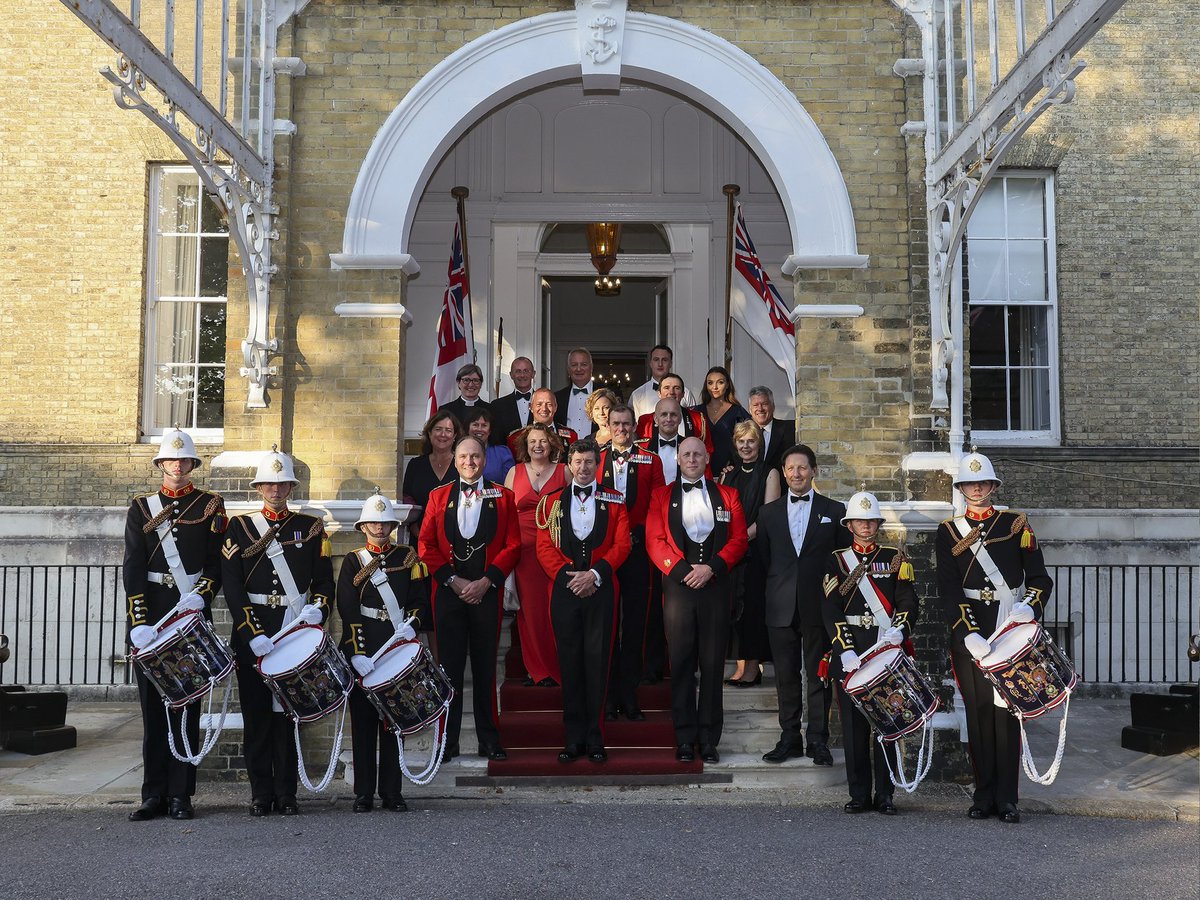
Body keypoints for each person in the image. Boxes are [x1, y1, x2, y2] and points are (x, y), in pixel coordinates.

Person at [936, 451, 1052, 824]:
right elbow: (949, 588)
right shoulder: (949, 531)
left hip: (1009, 628)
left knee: (1008, 714)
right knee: (979, 712)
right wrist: (968, 632)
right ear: (961, 488)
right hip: (971, 632)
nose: (977, 489)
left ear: (993, 486)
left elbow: (1039, 579)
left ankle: (1008, 798)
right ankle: (983, 794)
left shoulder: (1016, 524)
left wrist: (1030, 608)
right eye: (970, 483)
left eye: (983, 483)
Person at [221, 446, 335, 817]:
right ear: (259, 488)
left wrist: (317, 609)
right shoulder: (239, 527)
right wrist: (250, 630)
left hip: (292, 631)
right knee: (256, 717)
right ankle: (260, 794)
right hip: (253, 633)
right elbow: (233, 585)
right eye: (269, 483)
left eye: (282, 483)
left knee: (288, 715)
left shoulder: (309, 527)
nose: (275, 490)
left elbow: (323, 581)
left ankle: (288, 793)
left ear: (290, 487)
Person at [123, 429, 226, 822]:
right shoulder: (142, 507)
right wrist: (138, 621)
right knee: (152, 712)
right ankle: (153, 795)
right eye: (172, 461)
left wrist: (203, 593)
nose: (178, 467)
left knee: (187, 706)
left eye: (185, 461)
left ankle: (182, 794)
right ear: (161, 465)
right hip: (151, 618)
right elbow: (133, 566)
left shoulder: (211, 505)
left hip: (189, 617)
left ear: (193, 465)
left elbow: (217, 563)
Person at [418, 435, 522, 761]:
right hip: (448, 595)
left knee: (485, 669)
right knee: (448, 669)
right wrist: (452, 580)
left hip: (486, 594)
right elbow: (426, 546)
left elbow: (513, 545)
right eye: (463, 456)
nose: (469, 462)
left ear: (484, 459)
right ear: (455, 459)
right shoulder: (437, 497)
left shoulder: (503, 496)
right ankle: (447, 742)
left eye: (475, 456)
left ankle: (488, 739)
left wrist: (487, 581)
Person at [646, 437, 748, 763]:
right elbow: (654, 540)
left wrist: (712, 568)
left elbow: (739, 539)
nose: (691, 458)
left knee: (714, 664)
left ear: (707, 458)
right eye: (686, 454)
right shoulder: (661, 496)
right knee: (681, 665)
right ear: (677, 458)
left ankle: (709, 739)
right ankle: (685, 738)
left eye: (697, 454)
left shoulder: (728, 495)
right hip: (678, 590)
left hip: (716, 589)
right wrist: (682, 572)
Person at [536, 438, 631, 763]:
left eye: (590, 461)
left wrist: (595, 575)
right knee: (571, 665)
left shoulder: (614, 499)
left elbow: (622, 545)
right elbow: (544, 548)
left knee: (598, 665)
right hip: (564, 594)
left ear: (597, 464)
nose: (584, 467)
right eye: (578, 462)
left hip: (601, 592)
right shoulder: (550, 503)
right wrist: (570, 577)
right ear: (569, 465)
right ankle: (572, 739)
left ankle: (595, 738)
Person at [823, 490, 917, 815]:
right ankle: (859, 794)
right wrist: (845, 649)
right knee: (854, 727)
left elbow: (908, 601)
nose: (866, 525)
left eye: (871, 520)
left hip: (885, 649)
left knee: (887, 724)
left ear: (878, 523)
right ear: (850, 525)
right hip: (851, 652)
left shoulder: (895, 558)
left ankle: (886, 794)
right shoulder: (835, 560)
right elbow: (830, 609)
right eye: (860, 520)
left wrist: (900, 629)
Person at [756, 444, 849, 767]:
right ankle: (790, 738)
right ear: (783, 473)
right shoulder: (768, 514)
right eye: (790, 468)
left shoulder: (835, 512)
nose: (796, 474)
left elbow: (841, 562)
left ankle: (818, 740)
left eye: (802, 468)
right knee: (785, 676)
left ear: (814, 471)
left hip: (818, 607)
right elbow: (767, 559)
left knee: (818, 675)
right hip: (780, 605)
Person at [336, 492, 427, 813]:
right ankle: (363, 793)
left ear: (392, 524)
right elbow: (347, 608)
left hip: (396, 647)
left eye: (384, 521)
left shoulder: (408, 558)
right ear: (363, 526)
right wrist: (357, 652)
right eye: (373, 521)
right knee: (362, 725)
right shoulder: (352, 560)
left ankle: (392, 791)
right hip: (366, 648)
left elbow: (420, 601)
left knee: (394, 722)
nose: (379, 526)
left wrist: (412, 624)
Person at [599, 404, 665, 719]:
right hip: (606, 555)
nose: (622, 429)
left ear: (635, 427)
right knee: (608, 625)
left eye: (627, 424)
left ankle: (631, 695)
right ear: (608, 426)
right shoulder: (596, 460)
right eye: (616, 423)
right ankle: (609, 697)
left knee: (636, 625)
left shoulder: (651, 461)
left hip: (639, 554)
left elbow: (657, 506)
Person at [504, 423, 568, 687]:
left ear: (552, 443)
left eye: (542, 440)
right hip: (524, 553)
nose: (538, 445)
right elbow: (506, 514)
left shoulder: (565, 472)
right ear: (525, 446)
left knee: (555, 610)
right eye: (532, 442)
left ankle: (559, 666)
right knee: (530, 612)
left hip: (556, 550)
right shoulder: (514, 472)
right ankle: (537, 670)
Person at [718, 420, 780, 688]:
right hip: (731, 552)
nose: (745, 446)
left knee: (753, 609)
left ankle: (753, 668)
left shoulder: (771, 473)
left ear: (759, 443)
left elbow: (769, 516)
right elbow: (720, 514)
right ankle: (741, 665)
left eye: (751, 441)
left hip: (756, 552)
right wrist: (730, 545)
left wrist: (740, 540)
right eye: (740, 441)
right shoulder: (727, 474)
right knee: (734, 609)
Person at [401, 412, 461, 544]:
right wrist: (414, 527)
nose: (443, 434)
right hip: (420, 537)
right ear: (429, 433)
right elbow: (406, 497)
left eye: (448, 430)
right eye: (438, 429)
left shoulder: (463, 464)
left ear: (455, 436)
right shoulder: (415, 465)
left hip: (456, 538)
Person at [636, 374, 714, 456]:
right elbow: (639, 452)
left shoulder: (698, 419)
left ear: (683, 394)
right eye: (666, 388)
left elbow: (707, 451)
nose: (671, 392)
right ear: (659, 393)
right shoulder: (645, 421)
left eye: (676, 388)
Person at [694, 365, 750, 475]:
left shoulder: (738, 411)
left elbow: (748, 441)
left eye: (720, 382)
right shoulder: (697, 411)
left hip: (730, 472)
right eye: (710, 383)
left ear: (728, 384)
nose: (715, 387)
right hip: (701, 472)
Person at [629, 344, 696, 418]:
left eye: (664, 360)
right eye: (656, 359)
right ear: (650, 363)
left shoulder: (686, 393)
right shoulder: (637, 395)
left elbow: (693, 421)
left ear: (670, 363)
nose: (660, 364)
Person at [508, 387, 577, 457]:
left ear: (555, 407)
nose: (544, 409)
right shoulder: (515, 438)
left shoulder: (571, 436)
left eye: (549, 404)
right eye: (539, 404)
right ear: (530, 407)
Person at [746, 385, 796, 473]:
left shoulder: (790, 429)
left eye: (764, 404)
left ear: (773, 407)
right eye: (755, 405)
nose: (760, 408)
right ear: (750, 409)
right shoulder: (742, 433)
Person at [491, 356, 536, 447]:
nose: (522, 375)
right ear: (511, 375)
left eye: (526, 371)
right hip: (508, 458)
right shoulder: (497, 406)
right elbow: (496, 439)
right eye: (518, 371)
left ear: (533, 374)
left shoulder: (544, 403)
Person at [465, 406, 515, 485]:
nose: (479, 429)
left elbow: (509, 486)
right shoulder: (458, 452)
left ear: (490, 430)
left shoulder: (503, 453)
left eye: (484, 425)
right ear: (468, 428)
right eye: (475, 425)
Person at [554, 347, 596, 437]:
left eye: (584, 364)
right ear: (568, 370)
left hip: (598, 450)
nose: (579, 369)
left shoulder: (606, 395)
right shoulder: (557, 398)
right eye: (574, 365)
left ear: (591, 367)